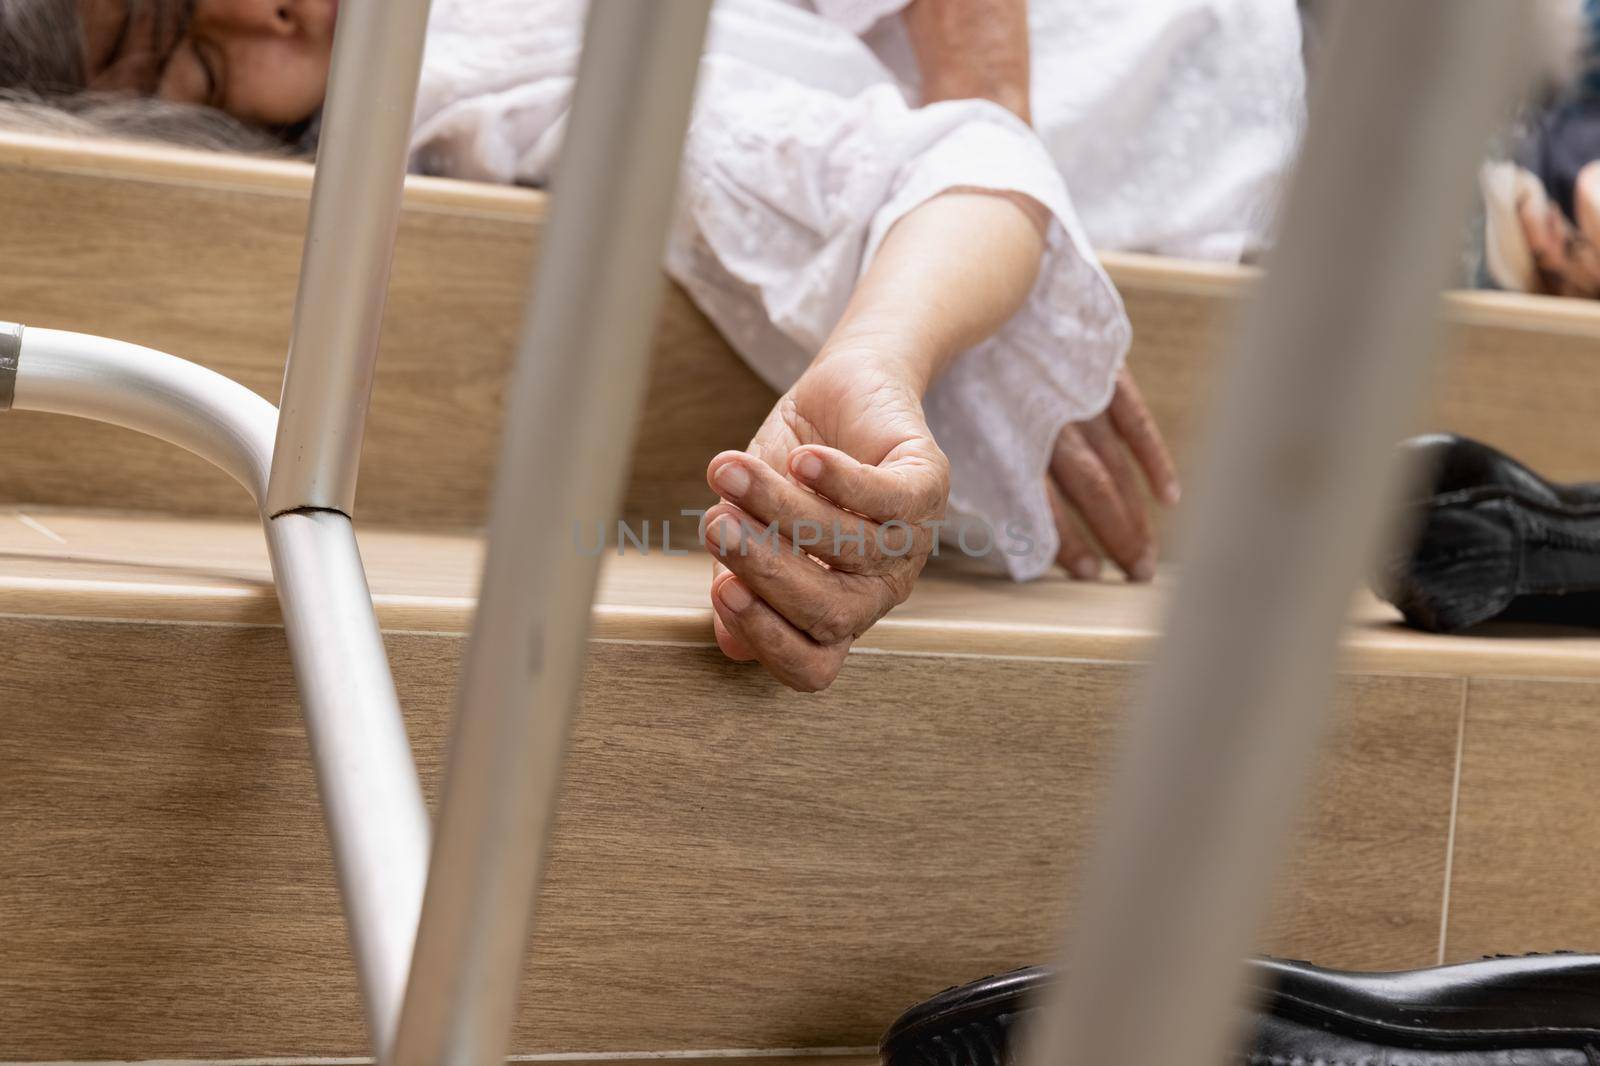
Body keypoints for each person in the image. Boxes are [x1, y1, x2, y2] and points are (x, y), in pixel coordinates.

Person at [0, 0, 1307, 691]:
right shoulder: (484, 84)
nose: (259, 11)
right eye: (187, 58)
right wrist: (905, 341)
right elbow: (930, 163)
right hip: (1251, 133)